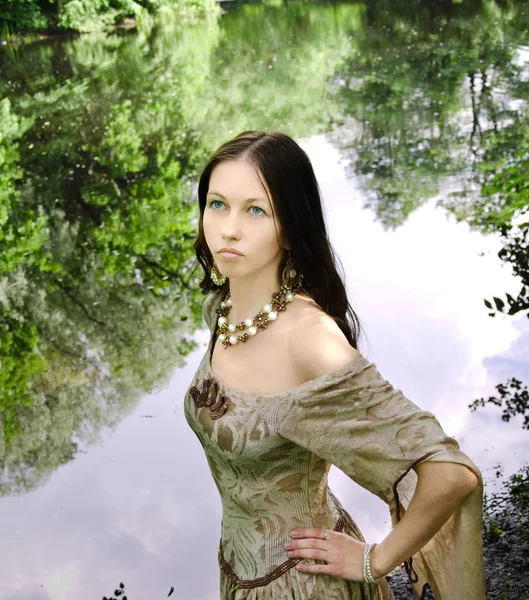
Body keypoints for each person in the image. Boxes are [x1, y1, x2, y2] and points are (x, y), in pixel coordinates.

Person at [185, 130, 486, 599]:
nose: (228, 228)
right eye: (217, 203)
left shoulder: (311, 341)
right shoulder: (224, 308)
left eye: (255, 210)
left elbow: (450, 472)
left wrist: (375, 559)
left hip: (305, 587)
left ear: (290, 223)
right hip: (238, 573)